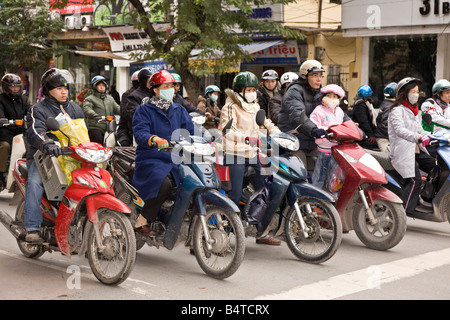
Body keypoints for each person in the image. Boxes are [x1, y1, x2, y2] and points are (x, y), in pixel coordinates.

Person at [220, 71, 281, 245]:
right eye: (248, 89)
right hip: (235, 153)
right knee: (235, 194)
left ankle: (261, 231)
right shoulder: (230, 107)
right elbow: (227, 130)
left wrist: (280, 135)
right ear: (239, 90)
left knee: (264, 191)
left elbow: (267, 123)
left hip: (254, 153)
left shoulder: (254, 106)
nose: (252, 92)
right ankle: (222, 235)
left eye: (254, 89)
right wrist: (246, 138)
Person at [25, 68, 86, 243]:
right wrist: (46, 144)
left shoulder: (75, 109)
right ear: (48, 90)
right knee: (35, 182)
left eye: (65, 88)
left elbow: (84, 132)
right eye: (59, 88)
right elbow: (35, 132)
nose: (64, 91)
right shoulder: (38, 109)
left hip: (72, 156)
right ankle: (32, 227)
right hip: (43, 157)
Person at [132, 70, 196, 235]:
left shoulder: (179, 109)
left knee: (194, 182)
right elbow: (140, 133)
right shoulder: (144, 110)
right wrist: (154, 139)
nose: (170, 89)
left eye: (171, 86)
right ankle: (143, 219)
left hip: (176, 158)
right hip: (152, 159)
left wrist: (209, 141)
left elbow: (192, 130)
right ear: (155, 89)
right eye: (165, 86)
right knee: (164, 186)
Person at [278, 60, 350, 169]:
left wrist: (352, 126)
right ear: (304, 76)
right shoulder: (294, 91)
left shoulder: (320, 92)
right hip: (295, 142)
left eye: (321, 75)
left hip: (314, 142)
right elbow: (297, 115)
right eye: (314, 75)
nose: (319, 79)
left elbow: (335, 110)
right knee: (301, 176)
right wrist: (314, 129)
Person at [388, 77, 437, 216]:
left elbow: (419, 129)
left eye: (417, 92)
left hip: (415, 149)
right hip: (403, 151)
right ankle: (401, 214)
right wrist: (419, 137)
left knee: (435, 168)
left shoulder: (415, 111)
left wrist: (433, 136)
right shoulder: (396, 110)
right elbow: (400, 130)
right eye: (413, 91)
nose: (416, 94)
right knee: (414, 180)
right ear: (405, 93)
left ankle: (423, 198)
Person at [309, 84, 346, 188]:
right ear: (323, 96)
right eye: (329, 95)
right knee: (319, 176)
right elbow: (314, 126)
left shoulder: (340, 111)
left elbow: (343, 125)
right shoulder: (318, 110)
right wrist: (324, 130)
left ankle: (332, 200)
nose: (331, 99)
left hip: (337, 149)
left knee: (334, 177)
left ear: (339, 99)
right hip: (323, 149)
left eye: (334, 96)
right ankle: (313, 200)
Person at [0, 73, 31, 188]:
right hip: (5, 132)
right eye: (13, 86)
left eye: (17, 86)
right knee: (4, 146)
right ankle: (1, 173)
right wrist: (2, 119)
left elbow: (30, 110)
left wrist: (37, 115)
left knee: (31, 146)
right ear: (6, 87)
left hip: (20, 133)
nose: (15, 89)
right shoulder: (1, 99)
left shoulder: (23, 100)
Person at [117, 67, 153, 147]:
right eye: (150, 80)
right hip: (134, 130)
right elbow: (132, 115)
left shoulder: (155, 94)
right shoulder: (131, 96)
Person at [82, 75, 120, 145]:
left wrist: (126, 112)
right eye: (99, 85)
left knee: (114, 143)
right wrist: (94, 114)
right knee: (98, 141)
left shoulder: (110, 99)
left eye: (103, 85)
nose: (102, 87)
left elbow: (118, 109)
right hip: (95, 127)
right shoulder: (90, 99)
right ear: (94, 87)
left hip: (109, 128)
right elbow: (87, 108)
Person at [116, 70, 141, 147]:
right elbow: (127, 114)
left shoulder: (150, 94)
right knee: (124, 145)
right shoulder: (128, 95)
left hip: (143, 129)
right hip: (127, 128)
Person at [351, 85, 378, 149]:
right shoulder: (361, 105)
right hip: (363, 136)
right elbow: (363, 121)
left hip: (364, 135)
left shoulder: (366, 104)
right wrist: (370, 134)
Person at [374, 82, 397, 152]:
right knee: (387, 158)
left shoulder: (386, 103)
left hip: (386, 137)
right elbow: (385, 123)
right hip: (384, 138)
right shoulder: (389, 106)